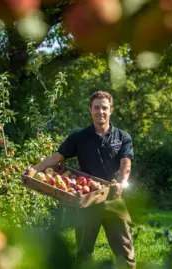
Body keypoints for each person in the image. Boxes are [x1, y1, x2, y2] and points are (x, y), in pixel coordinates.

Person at [29, 90, 136, 268]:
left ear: (111, 110)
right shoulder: (79, 137)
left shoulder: (122, 137)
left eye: (104, 108)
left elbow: (126, 164)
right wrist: (33, 169)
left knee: (125, 248)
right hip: (87, 198)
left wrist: (122, 183)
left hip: (113, 196)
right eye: (96, 108)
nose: (100, 112)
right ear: (90, 110)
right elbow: (55, 159)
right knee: (84, 252)